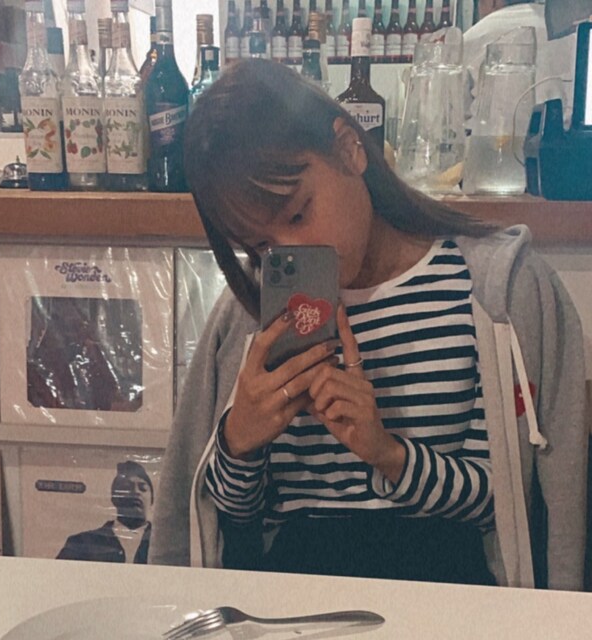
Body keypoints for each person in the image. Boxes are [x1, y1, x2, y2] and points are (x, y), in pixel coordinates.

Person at [148, 59, 588, 590]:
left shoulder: (486, 292)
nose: (290, 251)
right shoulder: (247, 317)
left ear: (349, 148)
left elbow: (504, 502)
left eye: (298, 214)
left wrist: (388, 453)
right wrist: (238, 442)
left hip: (445, 590)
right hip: (288, 596)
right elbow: (232, 524)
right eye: (261, 244)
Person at [57, 461, 153, 564]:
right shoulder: (81, 543)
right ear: (114, 498)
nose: (136, 492)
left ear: (152, 499)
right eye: (126, 488)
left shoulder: (164, 544)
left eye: (143, 488)